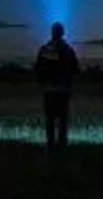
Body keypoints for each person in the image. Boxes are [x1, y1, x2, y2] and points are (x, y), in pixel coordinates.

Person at [34, 21, 80, 151]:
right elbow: (75, 69)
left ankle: (50, 147)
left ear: (52, 33)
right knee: (62, 121)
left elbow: (40, 68)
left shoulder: (47, 49)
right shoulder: (68, 50)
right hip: (63, 91)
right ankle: (61, 147)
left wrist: (42, 81)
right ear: (62, 33)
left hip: (49, 90)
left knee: (50, 121)